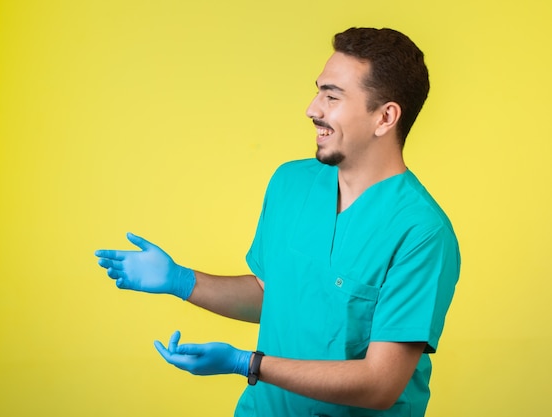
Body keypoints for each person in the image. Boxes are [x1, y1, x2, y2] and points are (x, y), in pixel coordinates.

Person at [95, 27, 460, 417]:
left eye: (332, 96)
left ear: (385, 117)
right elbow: (275, 294)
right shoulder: (290, 183)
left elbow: (379, 385)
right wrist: (182, 280)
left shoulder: (421, 232)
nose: (313, 108)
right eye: (319, 90)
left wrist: (248, 364)